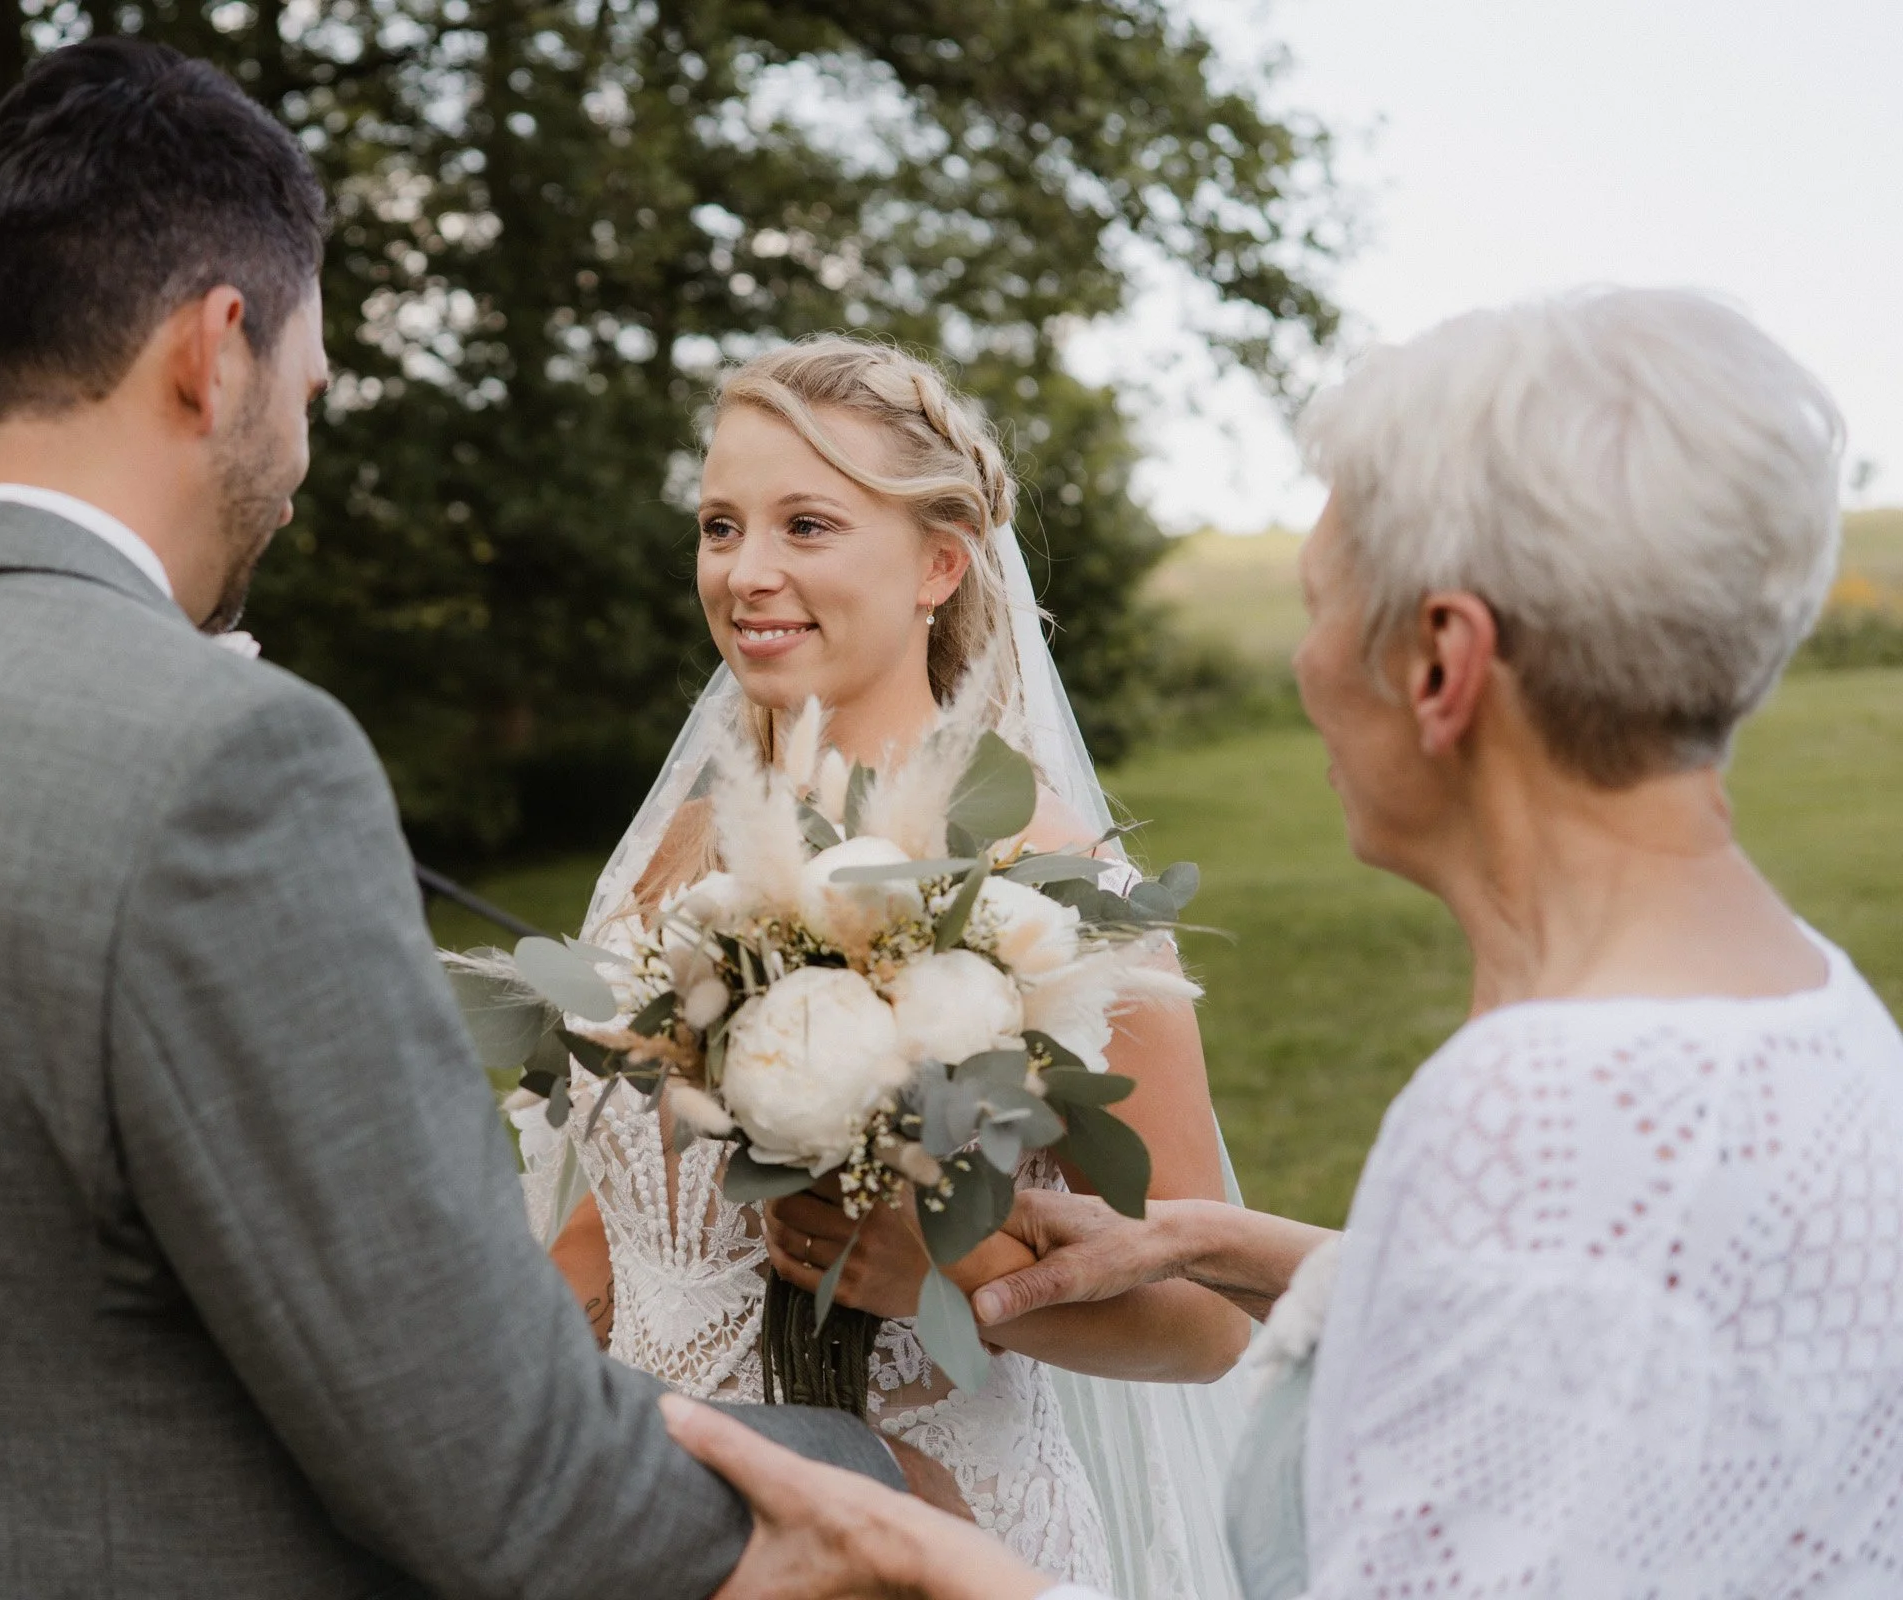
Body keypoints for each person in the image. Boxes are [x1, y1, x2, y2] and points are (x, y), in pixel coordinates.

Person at [0, 40, 910, 1600]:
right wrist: (876, 1478)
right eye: (306, 393)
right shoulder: (226, 766)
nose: (296, 466)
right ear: (214, 351)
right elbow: (511, 1482)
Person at [664, 288, 1903, 1598]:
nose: (1305, 665)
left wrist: (943, 1565)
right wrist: (1237, 1248)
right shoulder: (1820, 1015)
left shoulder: (1537, 1108)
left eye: (1322, 603)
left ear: (1442, 663)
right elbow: (1613, 1347)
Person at [515, 336, 1255, 1595]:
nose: (746, 571)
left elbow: (1209, 1320)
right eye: (719, 526)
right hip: (665, 1530)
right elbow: (621, 1229)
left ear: (940, 562)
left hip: (935, 1537)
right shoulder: (677, 856)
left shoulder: (1052, 887)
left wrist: (953, 1277)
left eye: (806, 524)